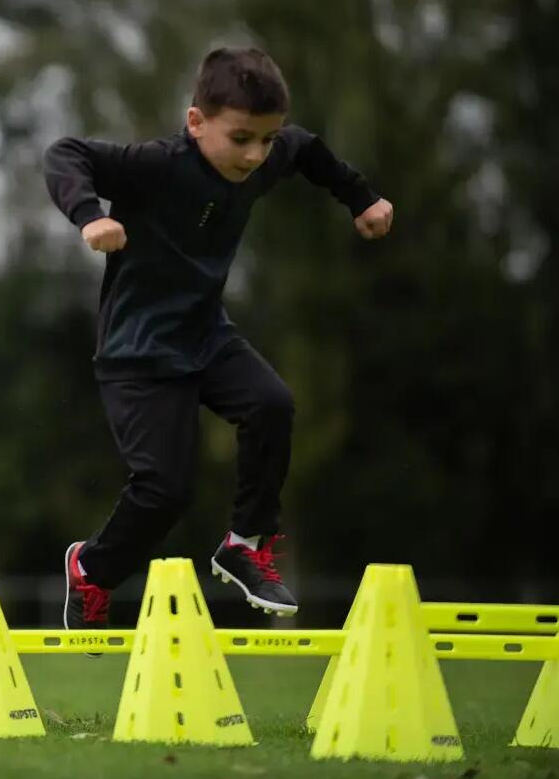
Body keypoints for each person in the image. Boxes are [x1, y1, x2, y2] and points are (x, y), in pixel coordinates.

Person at [44, 47, 394, 627]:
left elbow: (305, 149)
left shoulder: (268, 152)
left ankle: (246, 542)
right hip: (137, 352)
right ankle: (91, 572)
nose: (256, 155)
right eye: (241, 139)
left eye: (265, 138)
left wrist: (361, 196)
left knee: (271, 404)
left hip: (205, 335)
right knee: (165, 490)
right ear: (196, 122)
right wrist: (89, 215)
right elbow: (66, 154)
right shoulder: (156, 164)